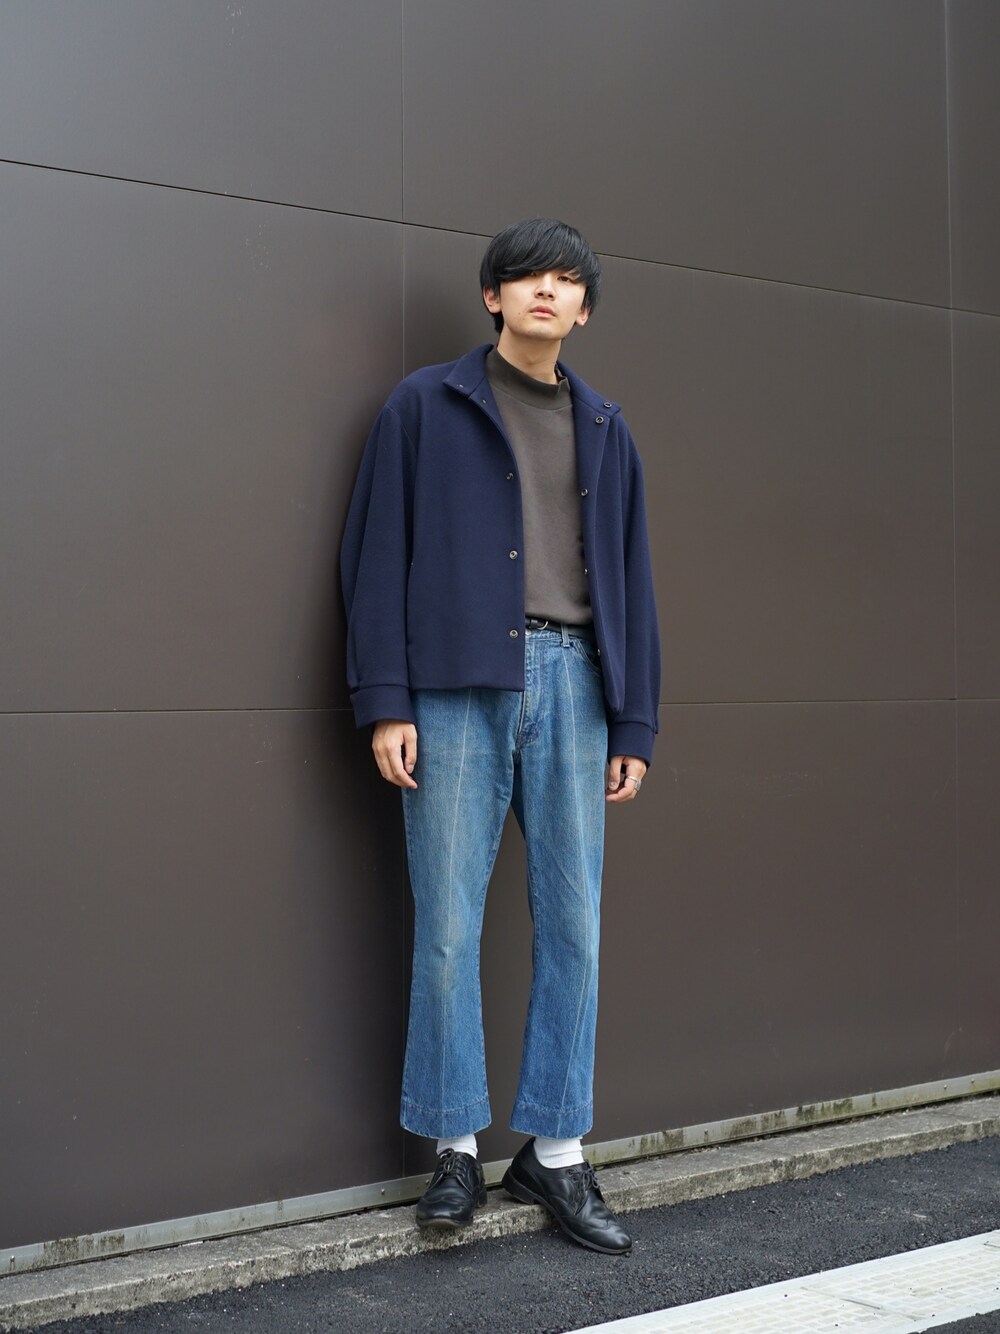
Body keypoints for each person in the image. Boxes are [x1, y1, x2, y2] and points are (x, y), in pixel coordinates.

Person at [340, 218, 660, 1255]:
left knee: (575, 924)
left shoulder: (605, 426)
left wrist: (635, 717)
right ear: (493, 295)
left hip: (577, 684)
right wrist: (386, 699)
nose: (545, 291)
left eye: (567, 281)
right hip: (454, 687)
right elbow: (373, 556)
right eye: (527, 276)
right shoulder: (423, 405)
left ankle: (556, 1152)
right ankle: (453, 1149)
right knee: (446, 922)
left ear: (584, 310)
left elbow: (632, 580)